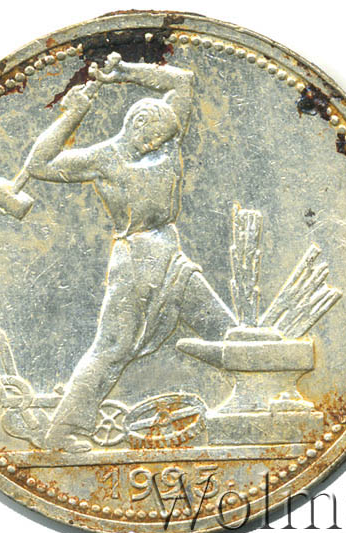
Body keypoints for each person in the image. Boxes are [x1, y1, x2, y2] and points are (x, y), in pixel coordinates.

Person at [15, 52, 237, 452]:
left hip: (170, 253)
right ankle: (61, 432)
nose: (158, 146)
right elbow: (38, 164)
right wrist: (72, 115)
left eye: (164, 140)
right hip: (135, 260)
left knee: (225, 332)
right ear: (137, 124)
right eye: (152, 138)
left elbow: (182, 81)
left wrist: (123, 73)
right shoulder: (103, 159)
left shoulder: (168, 139)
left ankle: (252, 408)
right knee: (112, 347)